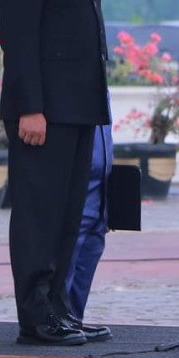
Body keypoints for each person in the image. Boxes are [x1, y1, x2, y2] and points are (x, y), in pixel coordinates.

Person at [0, 0, 112, 346]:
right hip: (43, 109)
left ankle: (61, 308)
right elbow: (20, 36)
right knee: (40, 213)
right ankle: (35, 316)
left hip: (79, 104)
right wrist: (30, 107)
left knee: (70, 214)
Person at [65, 124, 112, 321]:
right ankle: (57, 319)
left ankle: (74, 320)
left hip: (98, 195)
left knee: (90, 250)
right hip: (73, 190)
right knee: (67, 253)